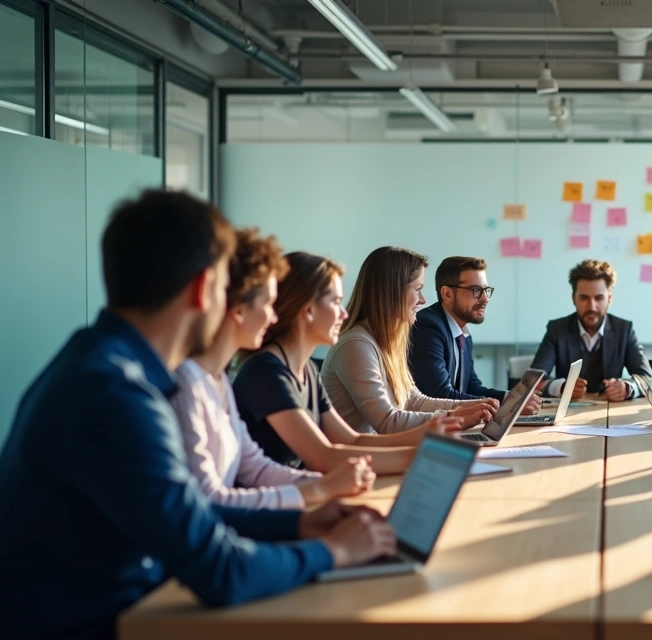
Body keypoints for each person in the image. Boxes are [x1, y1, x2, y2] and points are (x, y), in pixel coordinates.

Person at [0, 190, 396, 639]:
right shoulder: (116, 395)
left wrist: (300, 522)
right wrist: (332, 552)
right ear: (203, 288)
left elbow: (194, 516)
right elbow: (220, 572)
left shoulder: (100, 363)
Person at [170, 228, 375, 509]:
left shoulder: (218, 381)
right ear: (240, 309)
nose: (275, 315)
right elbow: (209, 503)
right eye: (268, 303)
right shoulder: (189, 383)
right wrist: (317, 492)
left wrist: (320, 486)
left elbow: (256, 467)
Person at [232, 251, 462, 474]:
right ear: (308, 310)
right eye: (336, 302)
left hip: (302, 489)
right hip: (283, 499)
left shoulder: (308, 370)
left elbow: (352, 440)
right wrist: (421, 455)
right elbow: (322, 456)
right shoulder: (267, 372)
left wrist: (430, 431)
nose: (343, 314)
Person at [321, 247, 497, 435]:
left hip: (378, 455)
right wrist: (458, 417)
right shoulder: (355, 345)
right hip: (357, 460)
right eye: (418, 289)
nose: (423, 299)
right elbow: (388, 421)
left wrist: (477, 406)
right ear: (393, 292)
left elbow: (414, 401)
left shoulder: (386, 342)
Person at [409, 255, 540, 414]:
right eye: (476, 290)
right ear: (447, 294)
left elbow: (472, 387)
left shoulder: (462, 333)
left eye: (486, 290)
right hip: (427, 430)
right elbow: (439, 395)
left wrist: (509, 397)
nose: (485, 298)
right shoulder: (427, 326)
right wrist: (507, 404)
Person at [530, 259, 651, 401]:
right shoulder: (557, 330)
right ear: (573, 298)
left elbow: (645, 377)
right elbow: (532, 380)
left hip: (612, 412)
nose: (592, 307)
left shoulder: (624, 330)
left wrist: (627, 388)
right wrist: (561, 387)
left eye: (599, 298)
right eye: (584, 298)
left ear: (609, 298)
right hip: (568, 414)